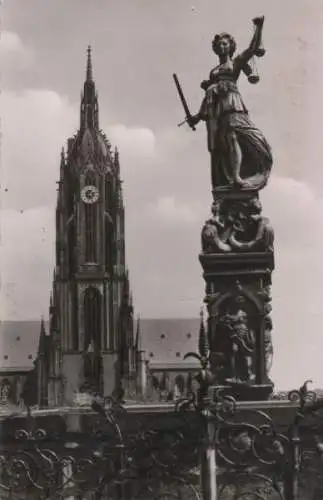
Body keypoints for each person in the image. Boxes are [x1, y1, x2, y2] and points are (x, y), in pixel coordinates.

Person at [187, 17, 273, 190]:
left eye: (225, 44)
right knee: (229, 140)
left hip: (233, 106)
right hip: (218, 113)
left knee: (251, 137)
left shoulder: (236, 63)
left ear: (231, 46)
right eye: (219, 45)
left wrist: (259, 27)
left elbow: (253, 48)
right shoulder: (213, 72)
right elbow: (209, 98)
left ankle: (248, 169)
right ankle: (235, 178)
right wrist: (197, 117)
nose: (222, 47)